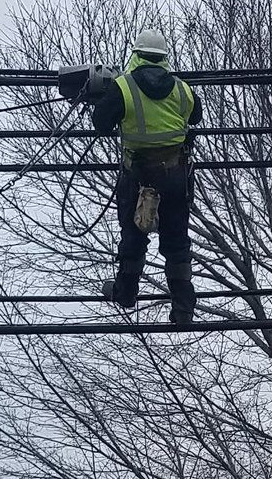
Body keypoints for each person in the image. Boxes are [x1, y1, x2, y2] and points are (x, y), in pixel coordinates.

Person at [56, 30, 202, 326]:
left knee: (134, 236)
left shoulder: (123, 87)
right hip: (175, 176)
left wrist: (103, 99)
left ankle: (126, 292)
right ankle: (184, 310)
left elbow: (101, 124)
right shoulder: (182, 89)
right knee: (176, 243)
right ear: (164, 59)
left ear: (135, 55)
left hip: (139, 177)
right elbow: (195, 116)